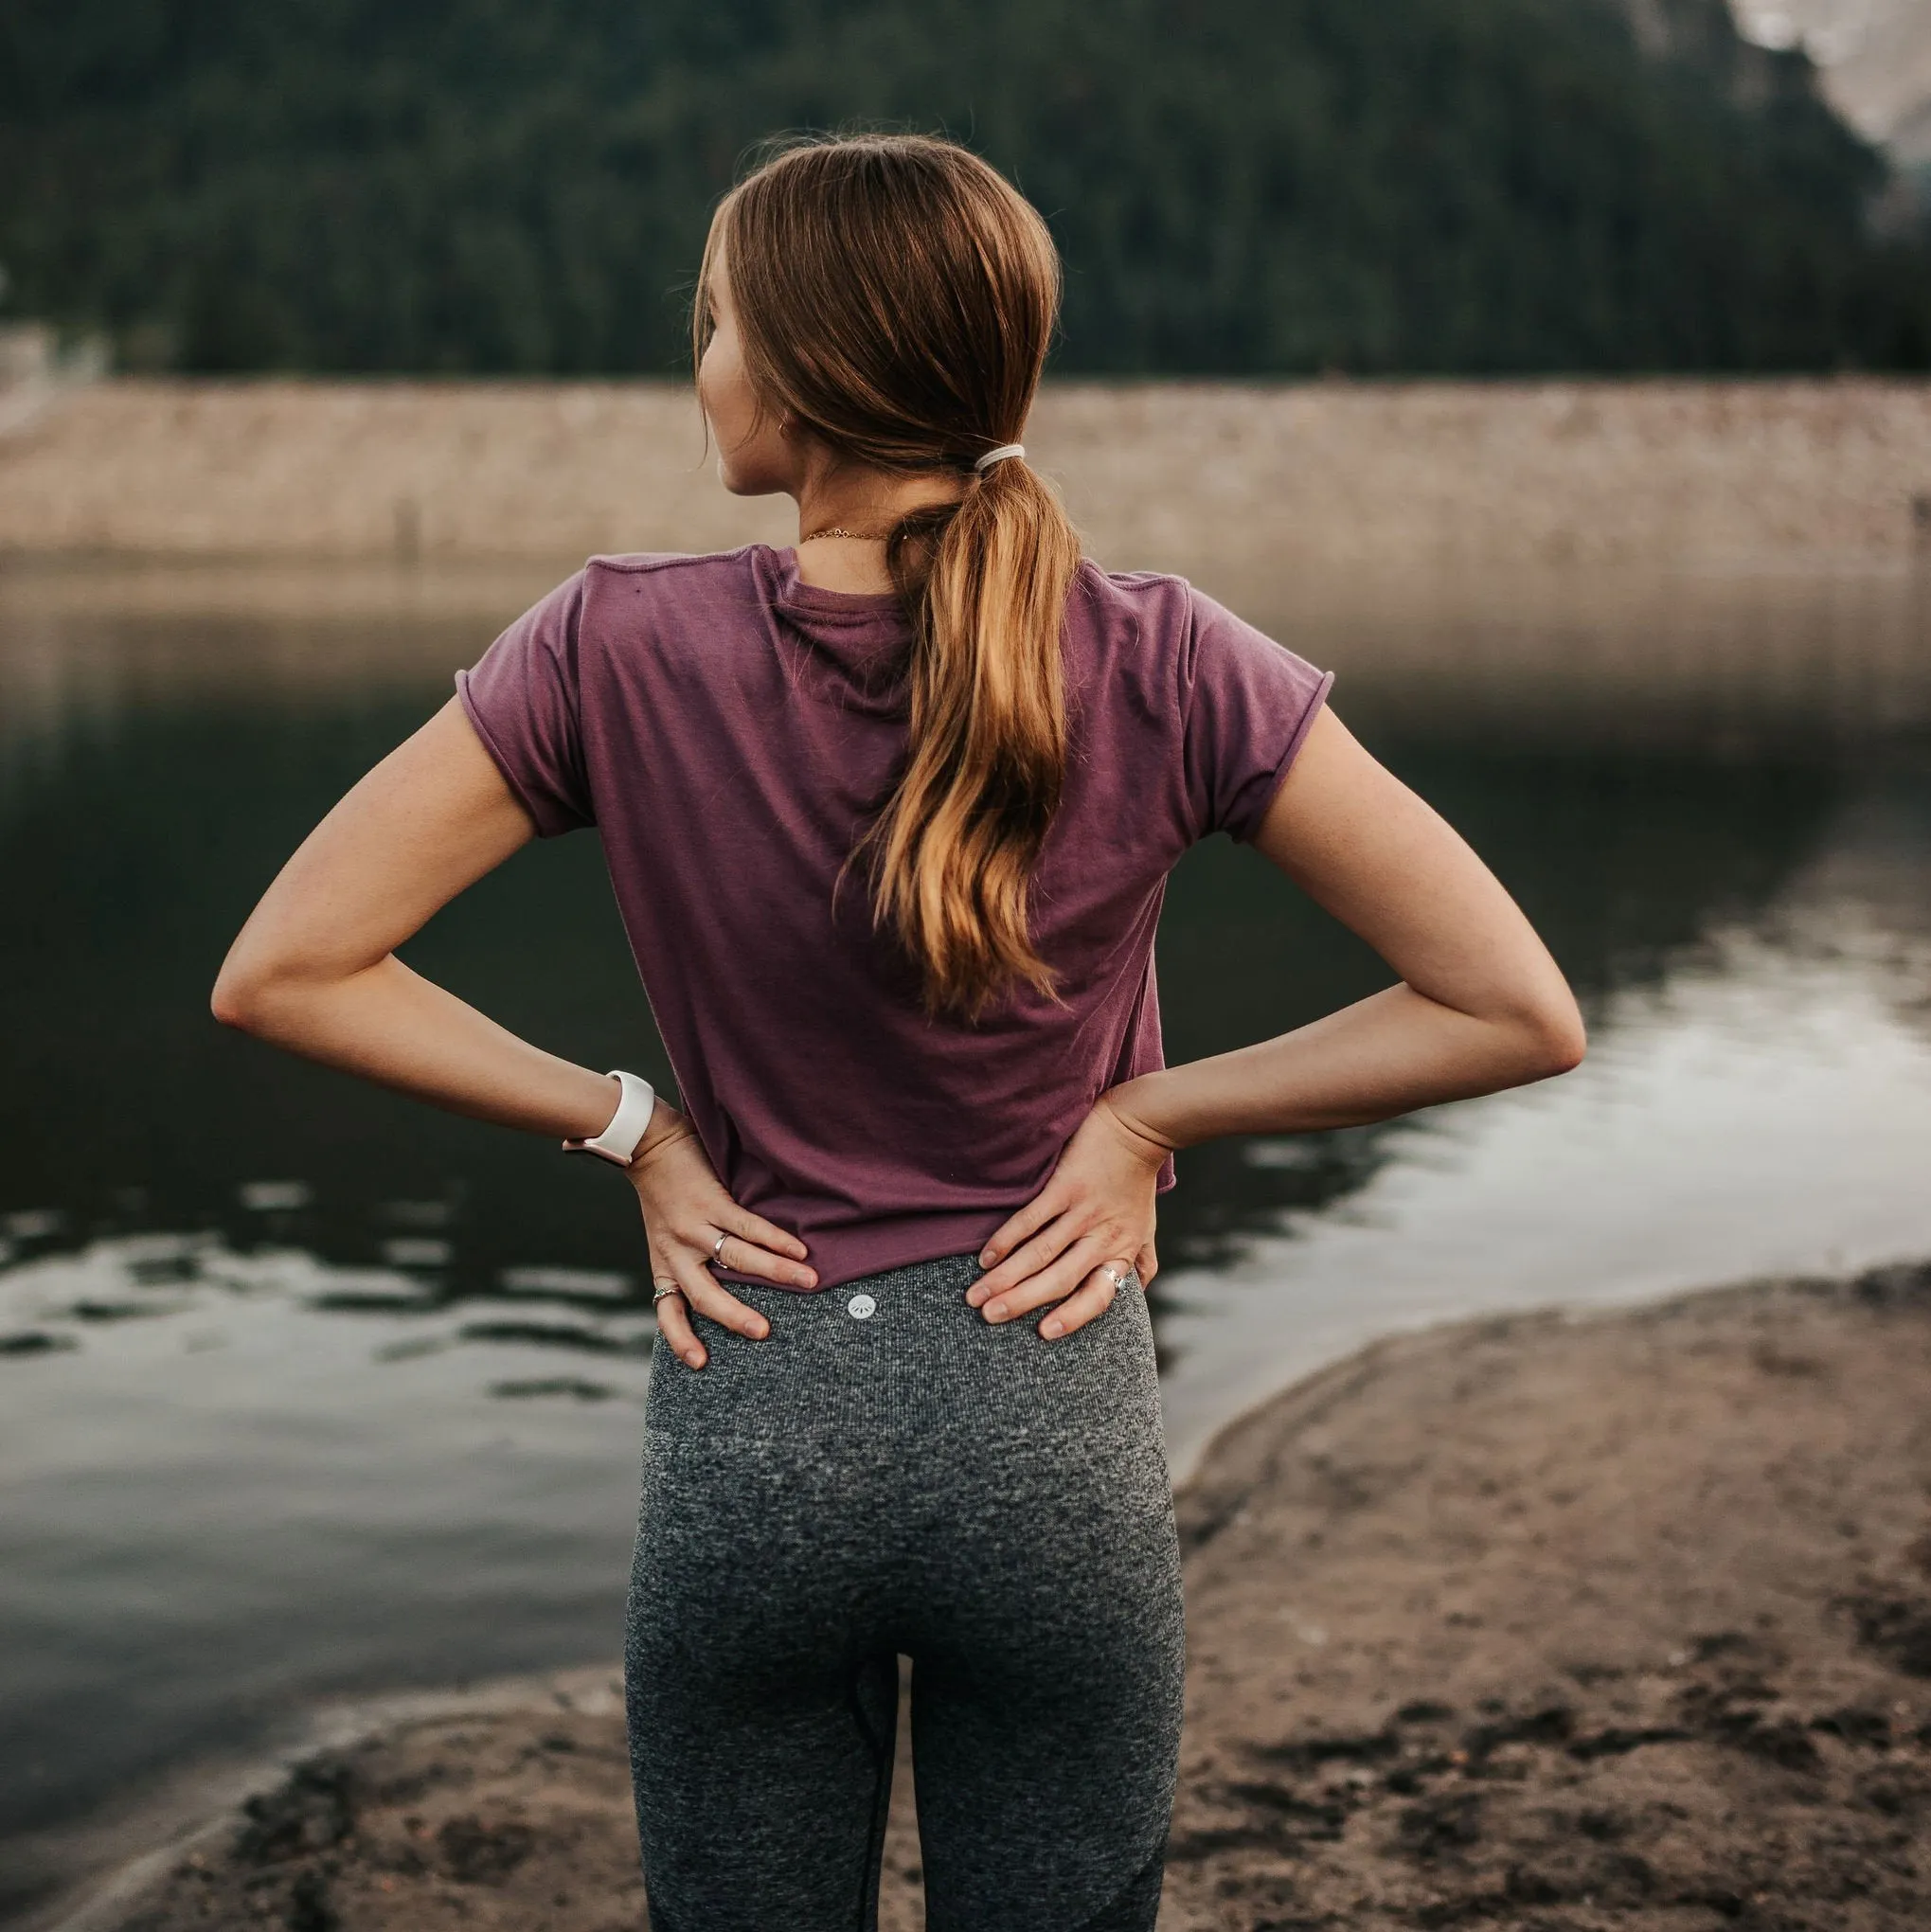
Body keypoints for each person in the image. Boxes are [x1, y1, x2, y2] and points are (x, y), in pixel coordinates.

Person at [212, 133, 1584, 1932]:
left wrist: (637, 1129)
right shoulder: (1168, 655)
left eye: (712, 323)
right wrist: (1144, 1120)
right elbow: (1515, 1010)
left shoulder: (609, 644)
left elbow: (288, 968)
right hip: (1050, 1422)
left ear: (789, 371)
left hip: (755, 1422)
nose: (695, 359)